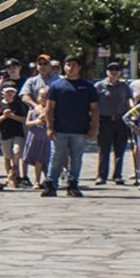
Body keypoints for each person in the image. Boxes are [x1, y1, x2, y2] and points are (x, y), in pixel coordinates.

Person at [41, 56, 97, 198]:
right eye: (67, 65)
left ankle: (73, 184)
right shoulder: (56, 86)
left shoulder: (88, 86)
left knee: (76, 158)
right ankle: (50, 184)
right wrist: (49, 127)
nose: (70, 68)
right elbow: (49, 108)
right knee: (56, 157)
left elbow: (95, 109)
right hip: (60, 129)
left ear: (79, 68)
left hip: (80, 129)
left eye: (73, 65)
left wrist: (94, 128)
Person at [95, 63, 133, 186]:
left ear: (120, 72)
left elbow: (129, 101)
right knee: (104, 150)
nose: (114, 72)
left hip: (121, 121)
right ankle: (101, 176)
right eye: (111, 69)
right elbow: (93, 104)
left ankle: (117, 176)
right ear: (107, 71)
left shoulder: (124, 86)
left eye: (117, 69)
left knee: (119, 150)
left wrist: (133, 113)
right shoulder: (99, 86)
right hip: (105, 120)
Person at [20, 55, 55, 186]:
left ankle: (52, 178)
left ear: (50, 65)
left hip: (53, 119)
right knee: (34, 152)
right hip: (36, 120)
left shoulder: (58, 80)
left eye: (45, 64)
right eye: (40, 64)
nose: (42, 66)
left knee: (53, 152)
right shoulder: (32, 81)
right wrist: (37, 107)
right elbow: (24, 95)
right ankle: (32, 179)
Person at [0, 67, 31, 188]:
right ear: (3, 92)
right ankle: (9, 177)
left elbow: (24, 119)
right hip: (4, 132)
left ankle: (14, 170)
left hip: (18, 132)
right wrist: (4, 117)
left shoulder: (19, 104)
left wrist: (12, 116)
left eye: (12, 91)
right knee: (7, 156)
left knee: (17, 151)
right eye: (7, 91)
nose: (10, 93)